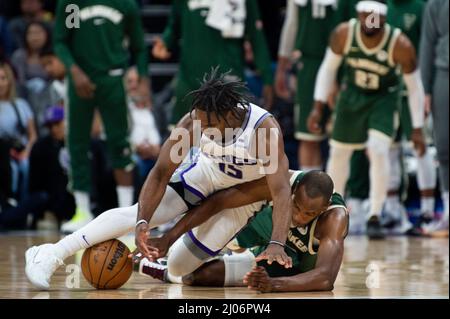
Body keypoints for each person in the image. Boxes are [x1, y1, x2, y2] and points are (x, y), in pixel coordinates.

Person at [25, 69, 293, 290]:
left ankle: (211, 258)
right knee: (136, 214)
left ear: (228, 115)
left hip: (243, 195)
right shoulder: (193, 122)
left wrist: (277, 243)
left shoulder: (263, 131)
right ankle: (50, 253)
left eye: (208, 125)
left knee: (179, 269)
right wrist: (144, 220)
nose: (202, 128)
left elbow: (281, 191)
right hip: (206, 174)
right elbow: (160, 173)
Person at [308, 0, 427, 239]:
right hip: (352, 95)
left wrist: (417, 127)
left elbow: (414, 87)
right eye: (365, 14)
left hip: (383, 99)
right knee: (339, 153)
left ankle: (375, 214)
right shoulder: (343, 33)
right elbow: (328, 69)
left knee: (378, 150)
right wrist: (317, 107)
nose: (369, 19)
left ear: (384, 18)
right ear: (359, 13)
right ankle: (333, 209)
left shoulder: (400, 44)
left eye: (375, 15)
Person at [138, 170, 348, 292]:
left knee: (200, 277)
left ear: (324, 207)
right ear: (292, 191)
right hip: (267, 236)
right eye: (296, 207)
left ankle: (156, 268)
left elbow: (325, 278)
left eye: (309, 214)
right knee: (225, 225)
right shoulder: (282, 182)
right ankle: (180, 250)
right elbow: (220, 201)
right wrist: (169, 236)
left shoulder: (334, 218)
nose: (299, 217)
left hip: (294, 271)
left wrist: (272, 284)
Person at [53, 0, 151, 233]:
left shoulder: (125, 5)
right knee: (77, 142)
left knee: (120, 143)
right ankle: (82, 210)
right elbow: (61, 41)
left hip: (114, 78)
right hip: (80, 81)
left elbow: (138, 47)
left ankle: (126, 212)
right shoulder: (72, 4)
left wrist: (144, 79)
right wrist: (74, 70)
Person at [153, 0, 274, 126]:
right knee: (182, 137)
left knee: (231, 138)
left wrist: (267, 78)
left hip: (228, 82)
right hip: (190, 80)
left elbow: (257, 37)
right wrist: (165, 42)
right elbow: (174, 24)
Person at [275, 0, 337, 172]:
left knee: (343, 137)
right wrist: (282, 68)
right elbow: (291, 24)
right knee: (309, 135)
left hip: (344, 63)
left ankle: (343, 193)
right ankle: (312, 193)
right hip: (309, 64)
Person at [419, 0, 449, 236]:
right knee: (444, 146)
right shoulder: (436, 4)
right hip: (443, 75)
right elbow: (427, 44)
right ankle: (448, 212)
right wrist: (425, 89)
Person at [28, 106, 76, 226]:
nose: (54, 129)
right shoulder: (40, 147)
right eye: (50, 126)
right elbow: (35, 183)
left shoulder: (77, 144)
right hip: (49, 199)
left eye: (57, 124)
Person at [0, 62, 37, 202]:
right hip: (2, 153)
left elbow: (32, 134)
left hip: (22, 149)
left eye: (3, 78)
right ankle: (9, 200)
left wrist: (27, 151)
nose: (0, 83)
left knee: (26, 166)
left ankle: (24, 203)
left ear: (9, 81)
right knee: (11, 169)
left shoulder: (21, 104)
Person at [11, 21, 52, 135]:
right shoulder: (19, 55)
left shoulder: (53, 54)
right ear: (25, 36)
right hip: (25, 96)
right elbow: (19, 81)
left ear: (47, 34)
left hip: (49, 95)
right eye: (31, 33)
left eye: (38, 33)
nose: (35, 37)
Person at [125, 67, 161, 185]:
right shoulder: (121, 108)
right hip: (132, 155)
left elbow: (167, 131)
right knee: (134, 165)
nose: (134, 86)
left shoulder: (156, 107)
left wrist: (159, 149)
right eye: (130, 81)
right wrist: (135, 148)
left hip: (158, 155)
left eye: (138, 81)